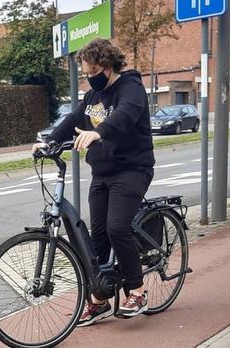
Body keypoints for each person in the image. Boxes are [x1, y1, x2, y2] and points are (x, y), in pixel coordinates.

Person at [47, 38, 155, 326]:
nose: (89, 77)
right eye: (85, 72)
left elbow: (125, 116)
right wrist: (49, 140)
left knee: (117, 227)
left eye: (92, 70)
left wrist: (99, 133)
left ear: (107, 67)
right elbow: (73, 118)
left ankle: (137, 290)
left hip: (133, 169)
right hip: (103, 172)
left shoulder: (130, 87)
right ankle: (100, 299)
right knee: (98, 237)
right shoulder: (92, 98)